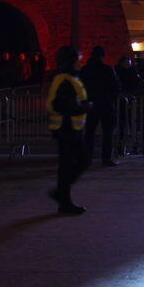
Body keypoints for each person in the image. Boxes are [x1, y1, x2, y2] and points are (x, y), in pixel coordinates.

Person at [46, 46, 91, 214]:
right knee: (77, 162)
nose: (80, 63)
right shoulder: (65, 80)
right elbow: (62, 105)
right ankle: (62, 197)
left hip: (69, 128)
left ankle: (63, 197)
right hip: (67, 128)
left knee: (69, 164)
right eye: (78, 60)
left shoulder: (68, 78)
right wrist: (84, 108)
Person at [80, 46, 121, 166]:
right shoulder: (107, 69)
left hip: (90, 103)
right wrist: (112, 97)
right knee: (108, 133)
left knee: (89, 132)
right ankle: (106, 158)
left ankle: (87, 158)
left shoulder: (85, 69)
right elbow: (115, 86)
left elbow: (80, 86)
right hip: (106, 103)